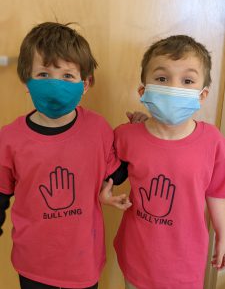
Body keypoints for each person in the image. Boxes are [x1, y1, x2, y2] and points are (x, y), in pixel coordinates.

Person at [0, 22, 135, 289]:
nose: (54, 84)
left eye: (67, 76)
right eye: (43, 74)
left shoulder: (97, 128)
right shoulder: (9, 138)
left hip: (82, 263)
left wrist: (138, 136)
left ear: (85, 84)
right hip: (33, 264)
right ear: (26, 80)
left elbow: (115, 175)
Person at [100, 35, 225, 289]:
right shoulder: (125, 135)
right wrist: (106, 194)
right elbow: (109, 174)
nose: (173, 88)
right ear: (143, 91)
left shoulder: (212, 140)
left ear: (202, 95)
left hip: (186, 263)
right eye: (161, 79)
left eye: (187, 80)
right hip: (137, 258)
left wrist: (223, 234)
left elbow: (217, 191)